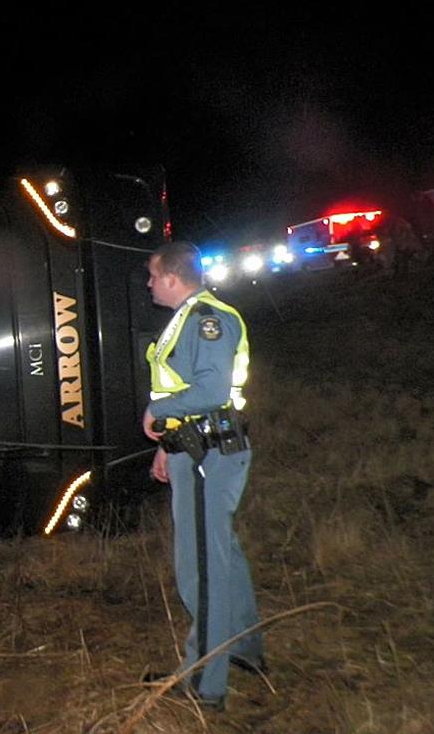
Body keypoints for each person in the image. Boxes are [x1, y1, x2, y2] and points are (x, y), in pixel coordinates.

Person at [140, 242, 263, 711]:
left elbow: (210, 390)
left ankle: (204, 682)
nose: (149, 283)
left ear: (173, 277)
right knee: (223, 554)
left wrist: (158, 410)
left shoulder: (207, 320)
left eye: (153, 275)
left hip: (210, 456)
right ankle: (247, 651)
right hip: (195, 449)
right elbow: (191, 384)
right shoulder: (190, 317)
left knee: (203, 569)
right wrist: (166, 447)